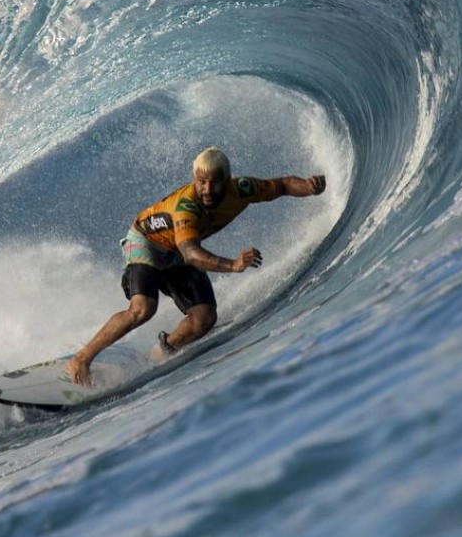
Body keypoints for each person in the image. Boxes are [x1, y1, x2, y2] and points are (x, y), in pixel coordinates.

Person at [67, 146, 326, 386]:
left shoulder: (242, 189)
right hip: (146, 242)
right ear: (194, 180)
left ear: (227, 180)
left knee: (204, 319)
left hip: (177, 251)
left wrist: (307, 186)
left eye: (215, 182)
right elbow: (191, 254)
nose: (207, 189)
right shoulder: (186, 208)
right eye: (201, 182)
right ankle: (81, 359)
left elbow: (280, 185)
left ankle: (158, 354)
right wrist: (233, 264)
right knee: (143, 308)